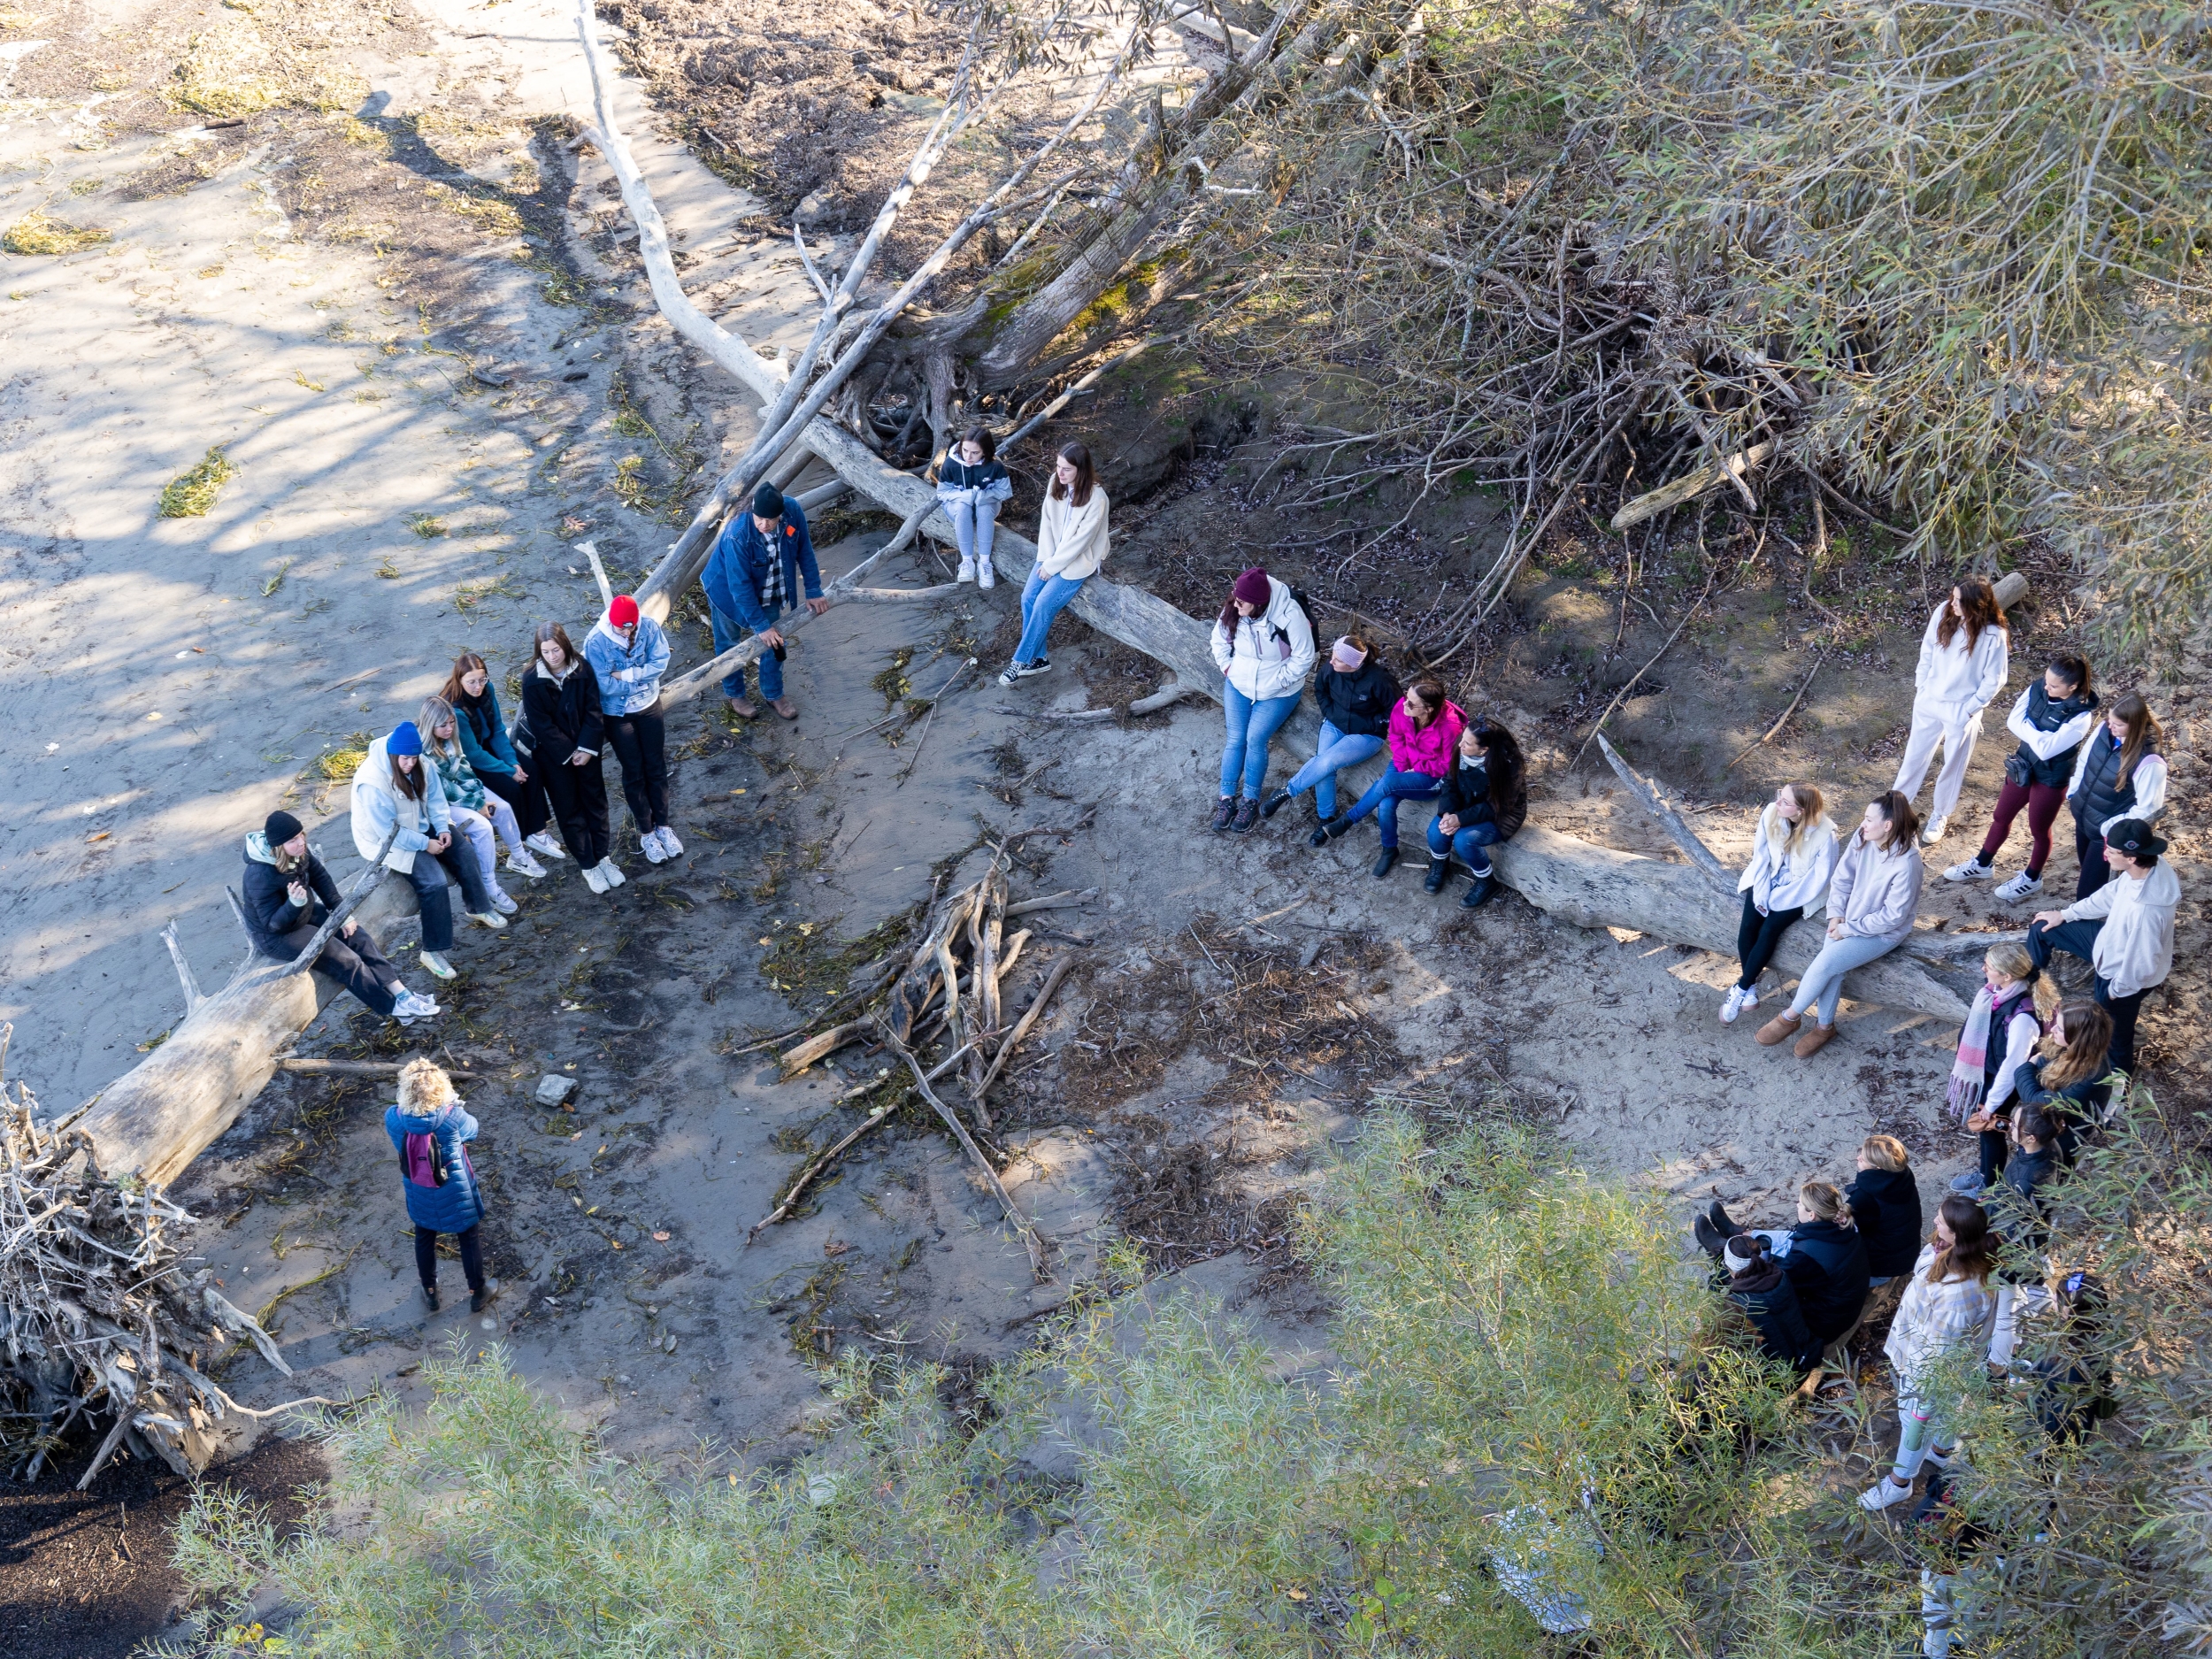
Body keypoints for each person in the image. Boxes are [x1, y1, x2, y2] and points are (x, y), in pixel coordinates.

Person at [1755, 791, 1924, 1058]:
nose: (1863, 823)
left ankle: (1789, 1017)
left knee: (1825, 963)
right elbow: (1843, 878)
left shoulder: (1908, 863)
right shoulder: (1864, 836)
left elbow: (1893, 916)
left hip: (1882, 932)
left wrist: (1847, 929)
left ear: (1888, 825)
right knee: (1832, 969)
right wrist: (1835, 914)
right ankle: (1825, 1028)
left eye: (1869, 819)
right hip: (1846, 918)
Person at [1860, 1195, 1998, 1510]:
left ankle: (1900, 1483)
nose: (1935, 1222)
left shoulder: (1959, 1293)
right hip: (1937, 1362)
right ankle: (1942, 1451)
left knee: (1915, 1423)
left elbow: (1940, 1349)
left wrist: (1919, 1385)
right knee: (1947, 1411)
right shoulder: (1951, 1251)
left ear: (1958, 1235)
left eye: (1941, 1221)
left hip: (1930, 1372)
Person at [240, 810, 436, 1024]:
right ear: (279, 847)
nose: (301, 842)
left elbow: (322, 881)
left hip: (303, 910)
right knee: (346, 960)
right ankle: (392, 1008)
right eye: (293, 840)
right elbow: (273, 924)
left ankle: (403, 995)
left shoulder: (299, 852)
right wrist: (293, 904)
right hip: (276, 935)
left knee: (359, 938)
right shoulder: (259, 875)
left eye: (301, 835)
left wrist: (344, 915)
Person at [349, 720, 503, 982]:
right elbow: (388, 832)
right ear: (393, 754)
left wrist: (442, 827)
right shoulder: (372, 783)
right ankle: (432, 950)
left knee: (463, 851)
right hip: (386, 841)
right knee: (434, 883)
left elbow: (435, 800)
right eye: (405, 759)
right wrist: (425, 844)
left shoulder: (420, 761)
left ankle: (478, 905)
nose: (410, 764)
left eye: (414, 758)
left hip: (419, 823)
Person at [2027, 818, 2177, 1076]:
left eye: (2111, 850)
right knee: (2042, 928)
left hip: (2121, 975)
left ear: (2131, 858)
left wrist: (2114, 992)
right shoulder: (2145, 868)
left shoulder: (2147, 912)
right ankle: (2029, 995)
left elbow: (2142, 964)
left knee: (2114, 1036)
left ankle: (2118, 1086)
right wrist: (2065, 914)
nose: (2105, 853)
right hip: (2110, 942)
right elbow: (2110, 895)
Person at [1943, 654, 2096, 902]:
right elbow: (2012, 721)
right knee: (2001, 817)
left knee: (2039, 830)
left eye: (2054, 686)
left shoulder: (2081, 716)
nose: (2046, 688)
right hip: (2023, 766)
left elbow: (2047, 751)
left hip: (2051, 777)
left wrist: (2029, 731)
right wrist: (2040, 735)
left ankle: (2032, 878)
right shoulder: (2038, 688)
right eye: (2046, 681)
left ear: (2073, 687)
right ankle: (1982, 864)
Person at [1893, 579, 2008, 848]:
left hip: (1961, 709)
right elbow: (1927, 649)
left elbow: (1995, 679)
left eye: (1959, 600)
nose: (1953, 603)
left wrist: (1969, 709)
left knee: (1952, 766)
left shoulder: (1994, 635)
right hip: (1930, 700)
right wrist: (1921, 686)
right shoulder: (1944, 612)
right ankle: (1896, 807)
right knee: (1914, 756)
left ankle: (1940, 813)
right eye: (1953, 597)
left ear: (1976, 605)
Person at [1315, 679, 1464, 879]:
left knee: (1386, 783)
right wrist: (1403, 767)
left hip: (1432, 776)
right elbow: (1395, 737)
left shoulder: (1450, 727)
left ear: (1428, 709)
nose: (1404, 704)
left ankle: (1348, 820)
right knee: (1385, 804)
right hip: (1405, 763)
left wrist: (1416, 768)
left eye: (1411, 703)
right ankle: (1389, 849)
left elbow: (1447, 765)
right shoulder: (1404, 707)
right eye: (1406, 697)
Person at [703, 484, 829, 719]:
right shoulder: (737, 535)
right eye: (759, 519)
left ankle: (774, 694)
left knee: (775, 643)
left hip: (770, 588)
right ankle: (736, 694)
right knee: (728, 642)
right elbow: (739, 586)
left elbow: (805, 550)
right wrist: (761, 627)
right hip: (726, 591)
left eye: (771, 520)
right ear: (753, 510)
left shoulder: (792, 510)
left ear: (781, 513)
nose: (764, 525)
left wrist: (813, 589)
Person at [1696, 1180, 1870, 1347]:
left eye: (1800, 1204)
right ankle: (1740, 1234)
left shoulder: (1807, 1257)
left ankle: (1723, 1252)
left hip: (1821, 1324)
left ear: (1812, 1215)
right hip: (1840, 1307)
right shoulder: (1843, 1226)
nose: (1797, 1205)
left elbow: (1775, 1281)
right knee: (1786, 1240)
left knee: (1760, 1266)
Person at [1209, 566, 1317, 833]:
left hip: (1279, 690)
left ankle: (1250, 800)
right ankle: (1226, 798)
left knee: (1255, 739)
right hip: (1239, 682)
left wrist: (1278, 681)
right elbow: (1218, 640)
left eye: (1242, 602)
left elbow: (1305, 657)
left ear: (1259, 603)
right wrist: (1228, 669)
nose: (1236, 605)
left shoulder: (1289, 615)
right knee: (1236, 738)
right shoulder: (1235, 605)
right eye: (1235, 598)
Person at [516, 622, 620, 894]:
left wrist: (586, 749)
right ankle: (588, 864)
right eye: (545, 651)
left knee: (596, 803)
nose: (552, 657)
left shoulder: (582, 669)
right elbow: (541, 724)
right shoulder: (531, 679)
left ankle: (603, 856)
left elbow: (594, 710)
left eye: (556, 650)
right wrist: (569, 752)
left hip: (587, 750)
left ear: (565, 645)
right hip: (553, 756)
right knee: (569, 808)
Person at [1723, 781, 1839, 1024]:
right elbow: (1760, 855)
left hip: (1801, 890)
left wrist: (1778, 899)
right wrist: (1763, 891)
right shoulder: (1770, 813)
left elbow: (1817, 880)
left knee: (1769, 929)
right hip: (1767, 876)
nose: (1777, 802)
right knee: (1749, 925)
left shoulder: (1826, 836)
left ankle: (1742, 988)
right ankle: (1750, 989)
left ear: (1801, 810)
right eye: (1780, 795)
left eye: (1785, 801)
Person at [384, 1057, 491, 1314]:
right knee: (468, 1237)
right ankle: (478, 1293)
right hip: (455, 1189)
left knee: (424, 1236)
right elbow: (473, 1130)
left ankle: (430, 1292)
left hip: (419, 1187)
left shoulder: (393, 1117)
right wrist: (453, 1105)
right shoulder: (453, 1117)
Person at [1947, 943, 2054, 1194]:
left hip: (2005, 1080)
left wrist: (1992, 1104)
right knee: (1985, 1129)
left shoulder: (2022, 1018)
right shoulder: (1994, 993)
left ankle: (1989, 1186)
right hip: (1990, 1072)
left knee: (1991, 1128)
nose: (1983, 969)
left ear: (2007, 975)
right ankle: (1985, 1174)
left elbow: (2014, 1064)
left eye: (1989, 966)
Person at [440, 652, 561, 869]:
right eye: (471, 682)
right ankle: (522, 838)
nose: (478, 687)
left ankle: (539, 832)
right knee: (511, 787)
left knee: (531, 769)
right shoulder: (456, 709)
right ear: (459, 680)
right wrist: (507, 771)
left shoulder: (488, 689)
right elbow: (473, 754)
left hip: (488, 743)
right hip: (468, 758)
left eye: (482, 679)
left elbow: (497, 730)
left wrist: (512, 762)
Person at [1001, 441, 1109, 687]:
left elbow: (1081, 542)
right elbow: (1047, 523)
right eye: (1058, 466)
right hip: (1051, 554)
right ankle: (1039, 659)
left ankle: (1020, 661)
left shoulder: (1097, 498)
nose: (1060, 473)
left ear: (1081, 470)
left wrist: (1052, 568)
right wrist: (1047, 560)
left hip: (1079, 561)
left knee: (1043, 604)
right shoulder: (1055, 482)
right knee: (1028, 597)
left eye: (1067, 469)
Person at [584, 595, 682, 864]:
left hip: (649, 706)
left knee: (656, 766)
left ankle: (663, 826)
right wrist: (639, 679)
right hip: (618, 715)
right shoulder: (596, 642)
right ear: (611, 622)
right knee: (634, 771)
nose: (627, 633)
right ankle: (647, 832)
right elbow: (603, 684)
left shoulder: (648, 627)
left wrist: (628, 675)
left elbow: (659, 661)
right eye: (621, 628)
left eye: (631, 627)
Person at [1263, 634, 1399, 826]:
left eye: (1338, 660)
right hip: (1334, 724)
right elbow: (1321, 691)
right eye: (1333, 656)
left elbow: (1397, 711)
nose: (1331, 661)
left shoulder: (1380, 680)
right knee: (1324, 769)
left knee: (1327, 761)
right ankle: (1327, 818)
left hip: (1367, 734)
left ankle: (1287, 791)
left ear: (1353, 664)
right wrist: (1330, 713)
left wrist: (1373, 723)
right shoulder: (1330, 669)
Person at [419, 695, 526, 916]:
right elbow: (444, 789)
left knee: (503, 808)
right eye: (443, 725)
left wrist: (478, 796)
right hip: (439, 805)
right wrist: (477, 804)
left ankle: (519, 856)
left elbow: (464, 770)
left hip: (461, 794)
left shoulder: (450, 739)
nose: (450, 729)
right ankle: (489, 885)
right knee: (482, 827)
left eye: (451, 722)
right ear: (430, 725)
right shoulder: (423, 753)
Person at [2062, 691, 2166, 899]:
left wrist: (2107, 827)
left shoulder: (2150, 761)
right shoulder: (2104, 729)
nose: (2110, 726)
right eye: (2110, 720)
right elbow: (2084, 760)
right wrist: (2074, 792)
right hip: (2084, 819)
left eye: (2118, 724)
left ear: (2134, 725)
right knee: (2088, 875)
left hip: (2106, 836)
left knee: (2088, 894)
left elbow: (2147, 810)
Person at [1423, 717, 1526, 909]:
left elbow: (1497, 806)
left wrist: (1460, 819)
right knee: (1436, 832)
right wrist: (1448, 813)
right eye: (1463, 738)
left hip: (1500, 814)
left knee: (1464, 840)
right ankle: (1440, 864)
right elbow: (1450, 783)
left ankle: (1487, 882)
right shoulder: (1461, 748)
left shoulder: (1507, 766)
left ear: (1484, 750)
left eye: (1468, 743)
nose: (1460, 744)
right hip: (1466, 801)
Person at [2013, 995, 2118, 1156]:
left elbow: (2036, 1102)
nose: (2053, 1029)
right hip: (2052, 1121)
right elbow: (2040, 1068)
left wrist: (2027, 1067)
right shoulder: (2068, 1047)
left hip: (2065, 1137)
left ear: (2078, 1038)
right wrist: (2032, 1071)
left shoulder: (2090, 1078)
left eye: (2060, 1029)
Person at [1717, 1233, 1822, 1375]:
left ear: (1731, 1269)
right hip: (1806, 1354)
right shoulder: (1781, 1275)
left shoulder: (1738, 1303)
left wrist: (1714, 1291)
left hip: (1779, 1375)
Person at [933, 424, 1012, 589]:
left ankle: (985, 563)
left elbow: (1005, 492)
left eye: (975, 453)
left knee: (984, 507)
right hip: (956, 508)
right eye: (965, 450)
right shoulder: (951, 463)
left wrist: (984, 496)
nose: (968, 457)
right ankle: (967, 562)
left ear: (985, 451)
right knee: (963, 507)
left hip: (987, 506)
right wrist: (965, 496)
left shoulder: (995, 465)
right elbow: (942, 493)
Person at [1844, 1135, 1924, 1286]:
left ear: (1878, 1167)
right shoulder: (1902, 1175)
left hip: (1880, 1270)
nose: (1858, 1157)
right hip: (1904, 1257)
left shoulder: (1865, 1198)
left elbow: (1845, 1229)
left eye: (1864, 1158)